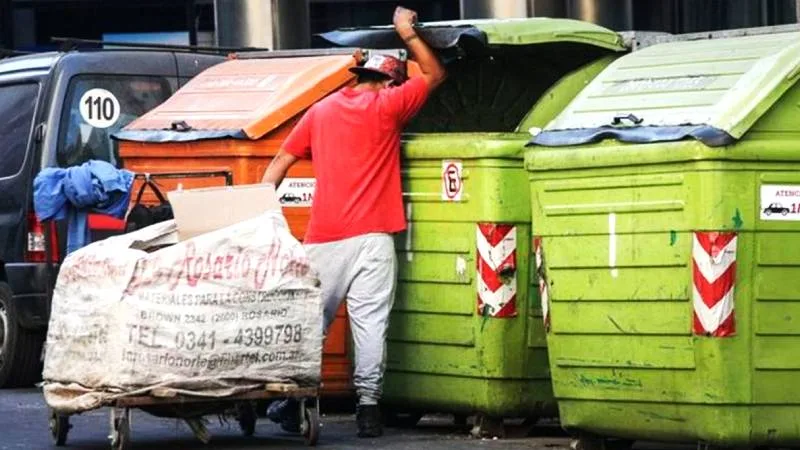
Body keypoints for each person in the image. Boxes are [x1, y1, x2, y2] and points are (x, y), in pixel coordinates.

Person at [261, 5, 446, 439]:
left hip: (324, 238)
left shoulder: (319, 111)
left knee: (310, 323)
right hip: (374, 240)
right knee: (370, 323)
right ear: (388, 81)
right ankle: (368, 410)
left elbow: (280, 163)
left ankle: (294, 401)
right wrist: (407, 32)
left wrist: (257, 216)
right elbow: (434, 74)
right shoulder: (388, 105)